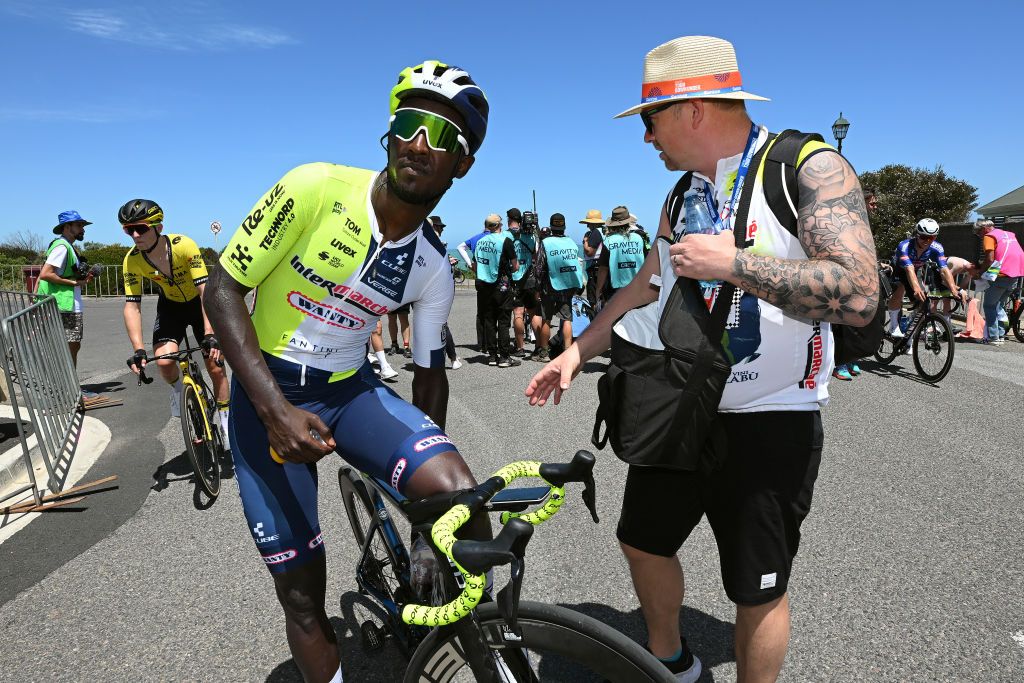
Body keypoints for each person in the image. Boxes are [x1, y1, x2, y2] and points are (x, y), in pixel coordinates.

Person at [526, 35, 878, 683]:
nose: (646, 138)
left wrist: (733, 263)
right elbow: (645, 287)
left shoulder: (807, 165)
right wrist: (576, 351)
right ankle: (671, 660)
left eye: (650, 121)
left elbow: (858, 291)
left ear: (691, 110)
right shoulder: (681, 195)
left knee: (757, 586)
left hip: (773, 416)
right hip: (685, 405)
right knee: (641, 539)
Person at [203, 60, 492, 683]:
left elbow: (429, 375)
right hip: (269, 391)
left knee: (459, 501)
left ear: (462, 165)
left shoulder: (434, 267)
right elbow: (223, 288)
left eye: (443, 137)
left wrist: (426, 527)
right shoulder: (316, 187)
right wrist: (274, 411)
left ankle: (447, 638)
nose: (420, 144)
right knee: (303, 595)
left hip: (349, 390)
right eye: (411, 125)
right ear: (389, 132)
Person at [120, 199, 230, 441]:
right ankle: (179, 391)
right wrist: (138, 349)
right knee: (163, 361)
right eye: (128, 230)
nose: (135, 235)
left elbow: (204, 292)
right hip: (170, 307)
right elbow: (132, 306)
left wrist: (210, 333)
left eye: (140, 228)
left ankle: (225, 418)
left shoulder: (183, 246)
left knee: (215, 364)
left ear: (158, 227)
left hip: (201, 303)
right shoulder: (132, 260)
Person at [884, 218, 964, 340]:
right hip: (900, 270)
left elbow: (944, 269)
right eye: (923, 237)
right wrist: (916, 288)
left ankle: (910, 332)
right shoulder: (904, 246)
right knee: (900, 291)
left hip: (916, 270)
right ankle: (893, 326)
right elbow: (909, 269)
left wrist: (953, 289)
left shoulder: (937, 248)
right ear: (917, 235)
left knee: (923, 302)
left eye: (931, 238)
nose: (927, 241)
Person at [36, 210, 95, 370]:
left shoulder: (66, 246)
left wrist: (81, 280)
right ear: (67, 227)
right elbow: (46, 274)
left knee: (72, 346)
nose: (83, 229)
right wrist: (74, 283)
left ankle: (69, 387)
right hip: (64, 303)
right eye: (79, 225)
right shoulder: (62, 247)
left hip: (63, 302)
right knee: (71, 346)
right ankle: (71, 389)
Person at [833, 187, 879, 380]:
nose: (875, 206)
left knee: (860, 315)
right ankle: (839, 362)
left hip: (862, 273)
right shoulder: (847, 218)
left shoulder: (864, 221)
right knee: (844, 319)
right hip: (844, 272)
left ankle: (852, 357)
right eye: (872, 202)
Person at [532, 213, 584, 362]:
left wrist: (537, 288)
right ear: (564, 226)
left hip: (550, 286)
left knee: (546, 319)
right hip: (567, 285)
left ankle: (544, 353)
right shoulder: (571, 242)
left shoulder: (546, 242)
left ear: (551, 227)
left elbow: (540, 268)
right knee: (567, 319)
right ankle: (567, 352)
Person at [473, 213, 520, 367]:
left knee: (489, 320)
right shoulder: (505, 241)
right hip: (502, 285)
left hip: (484, 285)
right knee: (504, 320)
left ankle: (492, 356)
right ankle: (505, 357)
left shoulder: (480, 242)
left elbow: (475, 265)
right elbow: (515, 265)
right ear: (500, 225)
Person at [970, 218, 1024, 345]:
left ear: (984, 229)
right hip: (1015, 275)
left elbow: (989, 259)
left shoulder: (989, 237)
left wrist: (980, 273)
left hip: (1000, 275)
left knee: (989, 306)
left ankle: (993, 337)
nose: (979, 236)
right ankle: (1000, 335)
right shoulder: (1009, 234)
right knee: (998, 306)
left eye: (978, 233)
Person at [430, 215, 463, 369]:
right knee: (442, 325)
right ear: (435, 227)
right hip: (438, 292)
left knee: (430, 327)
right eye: (440, 227)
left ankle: (438, 358)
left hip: (426, 292)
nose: (442, 230)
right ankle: (453, 358)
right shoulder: (436, 243)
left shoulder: (425, 242)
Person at [596, 205, 646, 305]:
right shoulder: (639, 239)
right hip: (637, 287)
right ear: (628, 223)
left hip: (615, 290)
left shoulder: (608, 241)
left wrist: (598, 290)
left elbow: (603, 269)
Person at [507, 207, 538, 357]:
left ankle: (520, 348)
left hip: (514, 279)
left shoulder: (507, 236)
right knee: (533, 313)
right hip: (530, 278)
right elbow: (537, 253)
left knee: (518, 313)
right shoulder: (531, 236)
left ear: (508, 220)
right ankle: (540, 347)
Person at [579, 209, 605, 308]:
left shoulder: (595, 232)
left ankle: (594, 318)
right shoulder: (604, 231)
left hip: (594, 267)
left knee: (592, 297)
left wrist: (585, 241)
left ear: (593, 224)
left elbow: (590, 252)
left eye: (589, 223)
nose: (587, 226)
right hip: (602, 265)